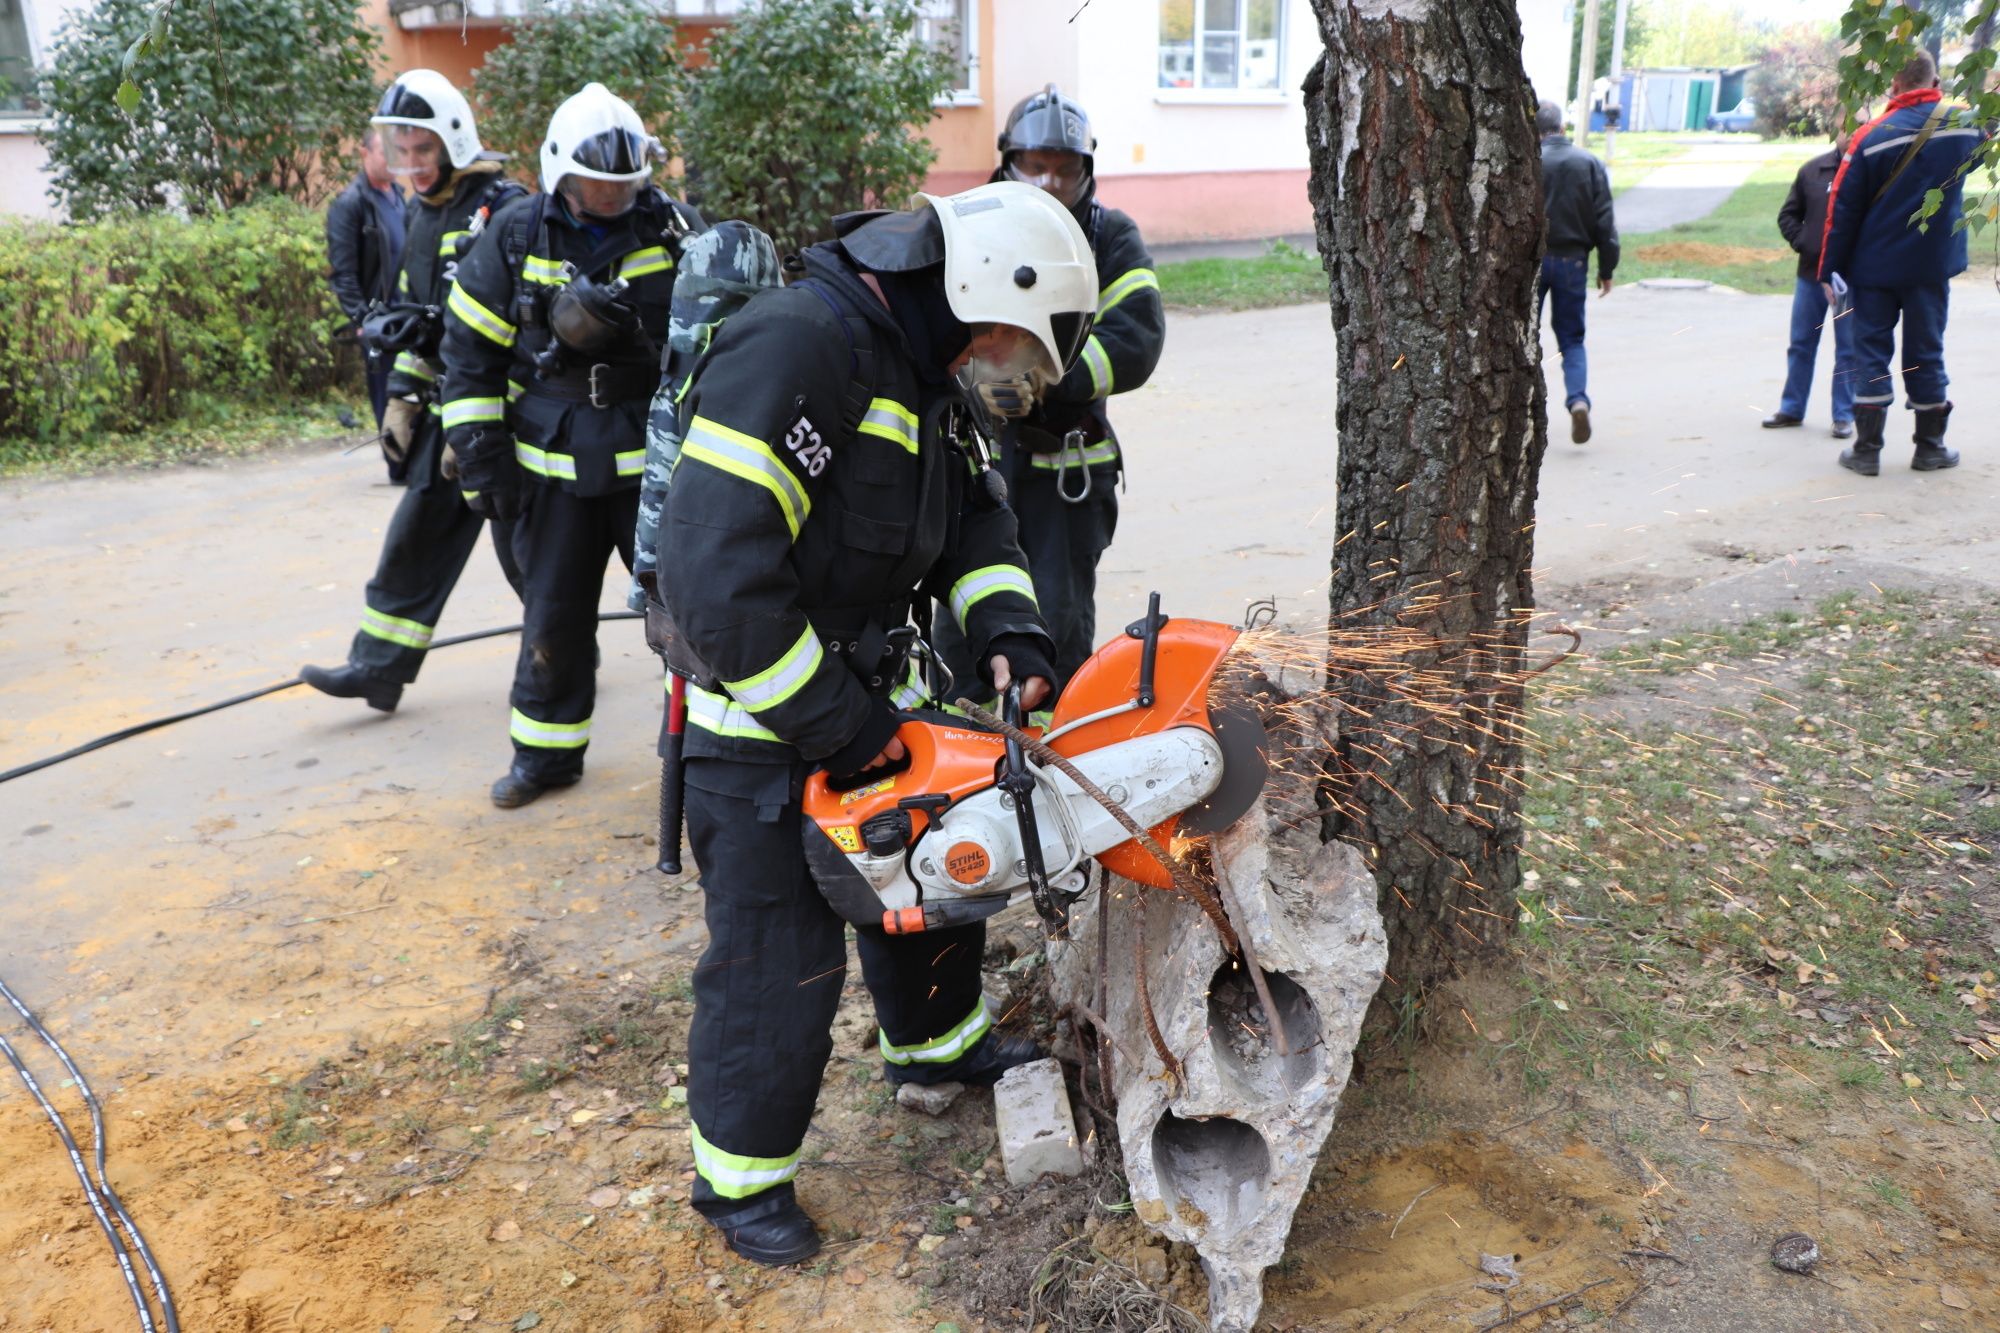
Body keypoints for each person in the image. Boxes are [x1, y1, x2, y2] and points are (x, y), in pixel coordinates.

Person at [654, 182, 1089, 1266]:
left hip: (863, 696)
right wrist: (835, 725)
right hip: (758, 720)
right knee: (776, 958)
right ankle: (739, 1181)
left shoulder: (921, 366)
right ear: (982, 289)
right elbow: (713, 578)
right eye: (1013, 341)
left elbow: (976, 519)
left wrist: (1013, 634)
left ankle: (934, 1048)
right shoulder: (798, 350)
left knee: (932, 881)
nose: (1008, 366)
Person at [440, 84, 704, 808]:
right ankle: (546, 758)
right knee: (552, 617)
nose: (612, 197)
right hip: (551, 472)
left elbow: (721, 343)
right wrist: (481, 456)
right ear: (560, 171)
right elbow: (468, 354)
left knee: (687, 614)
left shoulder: (675, 231)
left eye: (624, 185)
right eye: (596, 184)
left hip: (656, 472)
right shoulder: (517, 234)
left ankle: (704, 762)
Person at [299, 71, 530, 714]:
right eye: (400, 152)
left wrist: (484, 423)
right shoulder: (424, 214)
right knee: (416, 533)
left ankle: (564, 653)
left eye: (422, 150)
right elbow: (415, 315)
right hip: (445, 407)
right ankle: (377, 667)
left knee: (526, 554)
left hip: (502, 417)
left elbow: (522, 328)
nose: (411, 166)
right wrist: (403, 396)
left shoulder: (505, 212)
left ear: (453, 142)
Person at [930, 85, 1163, 699]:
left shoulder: (1110, 236)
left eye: (1064, 169)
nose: (1048, 182)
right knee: (961, 622)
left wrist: (1045, 375)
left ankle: (1046, 764)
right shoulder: (971, 226)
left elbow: (1135, 338)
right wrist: (977, 381)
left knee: (1056, 625)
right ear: (1008, 161)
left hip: (1065, 474)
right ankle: (962, 760)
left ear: (1087, 170)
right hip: (974, 463)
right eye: (1034, 166)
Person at [1820, 49, 1986, 475]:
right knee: (1926, 352)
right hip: (1931, 268)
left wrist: (1828, 270)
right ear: (1935, 79)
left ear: (1894, 84)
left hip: (1873, 270)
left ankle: (1867, 450)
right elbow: (1986, 144)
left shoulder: (1870, 136)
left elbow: (1842, 211)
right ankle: (1930, 447)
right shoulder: (1964, 126)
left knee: (1870, 353)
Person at [1535, 100, 1618, 444]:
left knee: (1523, 337)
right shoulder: (1590, 162)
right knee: (1571, 340)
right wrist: (1606, 267)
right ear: (1563, 128)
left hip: (1533, 262)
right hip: (1574, 261)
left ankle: (1526, 411)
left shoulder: (1528, 162)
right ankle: (1578, 401)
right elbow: (1605, 223)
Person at [326, 126, 407, 460]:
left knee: (409, 394)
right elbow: (343, 272)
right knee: (386, 395)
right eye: (385, 153)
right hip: (378, 322)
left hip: (406, 316)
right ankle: (398, 466)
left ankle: (411, 463)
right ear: (364, 154)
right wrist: (362, 319)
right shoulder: (350, 204)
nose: (394, 161)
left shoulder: (399, 195)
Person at [1766, 144, 1855, 438]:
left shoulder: (1870, 168)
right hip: (1810, 274)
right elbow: (1787, 215)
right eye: (1847, 124)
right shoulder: (1812, 170)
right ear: (1837, 126)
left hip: (1849, 279)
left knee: (1848, 349)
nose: (1853, 132)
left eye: (1861, 124)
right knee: (1801, 344)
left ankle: (1843, 415)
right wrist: (1806, 243)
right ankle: (1791, 409)